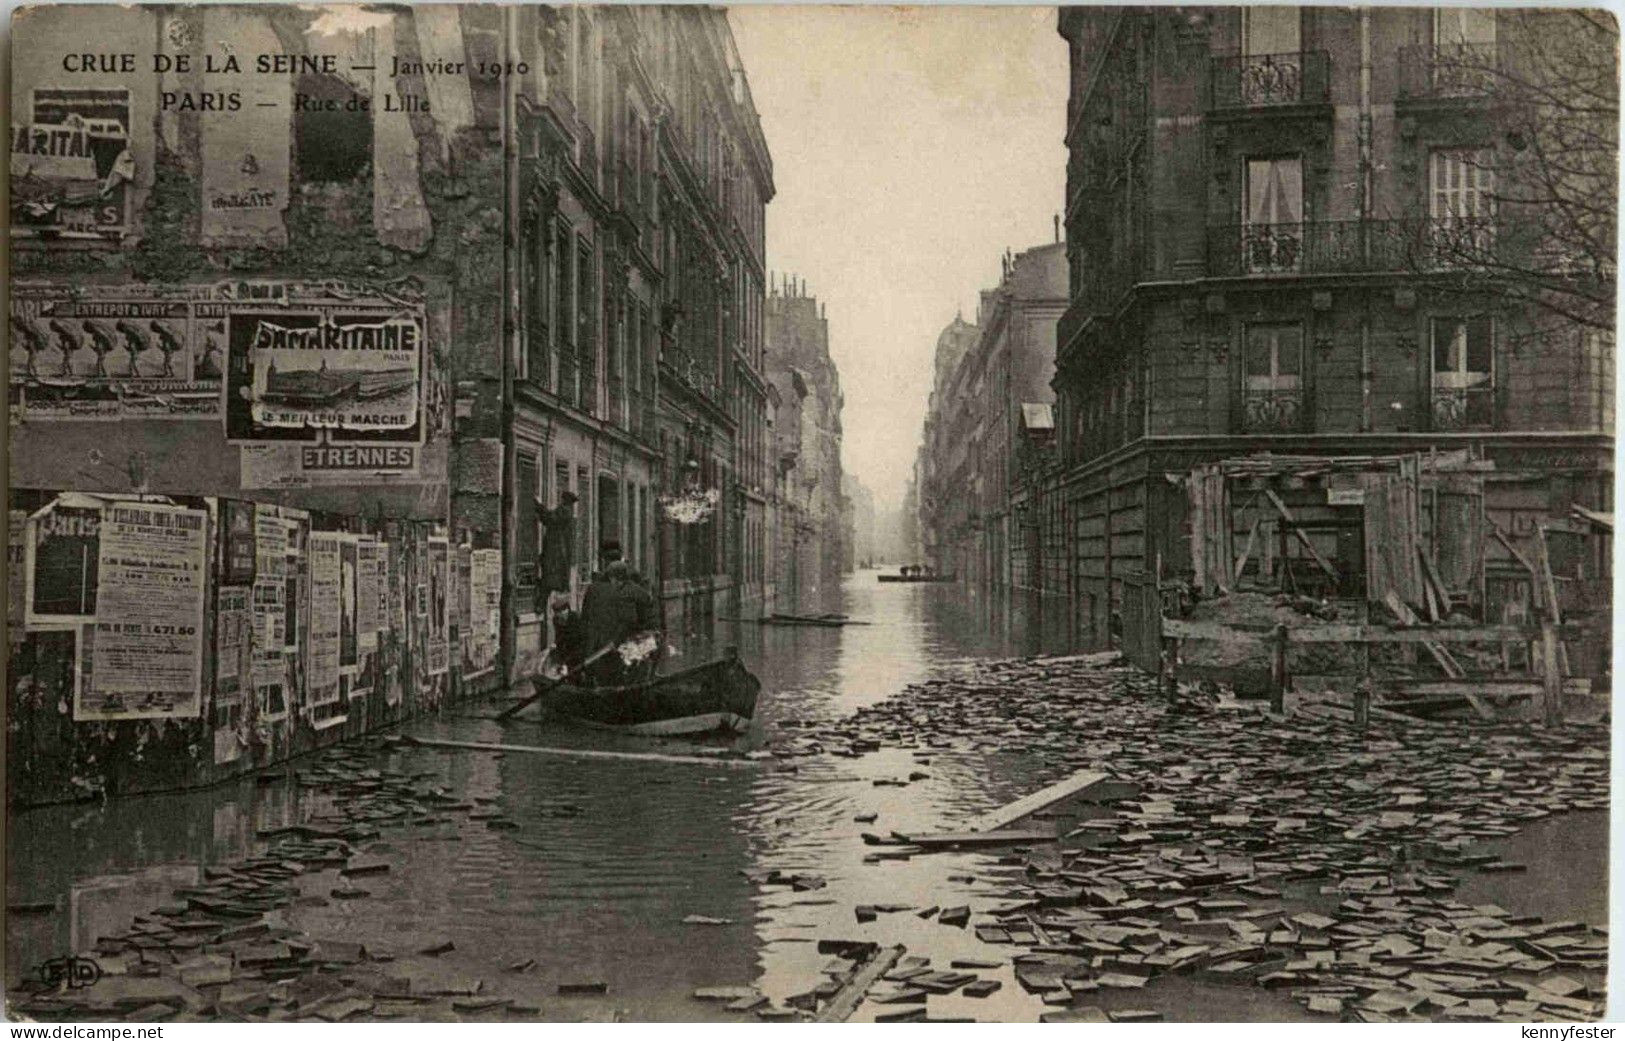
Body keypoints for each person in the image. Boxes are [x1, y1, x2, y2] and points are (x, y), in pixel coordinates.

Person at [580, 561, 634, 685]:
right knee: (612, 679)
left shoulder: (592, 588)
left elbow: (585, 617)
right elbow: (629, 620)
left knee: (593, 677)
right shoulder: (622, 591)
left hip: (592, 644)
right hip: (612, 645)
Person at [538, 491, 577, 605]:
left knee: (551, 578)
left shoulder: (564, 511)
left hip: (556, 551)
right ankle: (544, 602)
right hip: (559, 551)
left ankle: (542, 603)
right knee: (553, 578)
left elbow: (549, 518)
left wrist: (539, 506)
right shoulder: (567, 511)